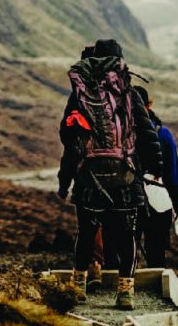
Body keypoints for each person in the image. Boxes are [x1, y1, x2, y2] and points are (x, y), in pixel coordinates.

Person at [57, 39, 162, 310]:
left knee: (87, 231)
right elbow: (148, 133)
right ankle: (125, 293)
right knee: (127, 236)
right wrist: (154, 168)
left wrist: (65, 179)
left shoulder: (79, 95)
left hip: (88, 179)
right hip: (125, 179)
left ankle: (77, 287)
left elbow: (68, 138)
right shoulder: (128, 92)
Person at [135, 86, 178, 268]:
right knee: (156, 253)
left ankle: (123, 287)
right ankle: (156, 290)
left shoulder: (118, 133)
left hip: (125, 197)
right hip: (158, 199)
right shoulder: (162, 134)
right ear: (148, 106)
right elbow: (172, 175)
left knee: (123, 251)